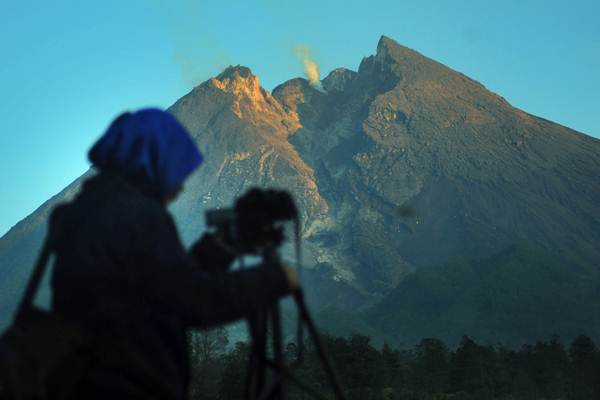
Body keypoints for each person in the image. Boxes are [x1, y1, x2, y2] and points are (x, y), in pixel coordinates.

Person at [46, 109, 298, 399]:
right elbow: (191, 301)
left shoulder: (87, 211)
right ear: (153, 160)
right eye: (175, 172)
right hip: (126, 386)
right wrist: (273, 278)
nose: (179, 188)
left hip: (85, 382)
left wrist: (220, 248)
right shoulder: (138, 216)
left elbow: (155, 290)